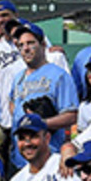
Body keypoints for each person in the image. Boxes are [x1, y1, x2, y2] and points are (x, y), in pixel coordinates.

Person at [7, 22, 78, 168]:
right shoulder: (18, 77)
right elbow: (12, 104)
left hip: (48, 158)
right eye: (21, 45)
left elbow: (71, 115)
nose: (25, 48)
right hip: (19, 159)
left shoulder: (58, 75)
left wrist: (42, 123)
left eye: (30, 43)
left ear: (43, 44)